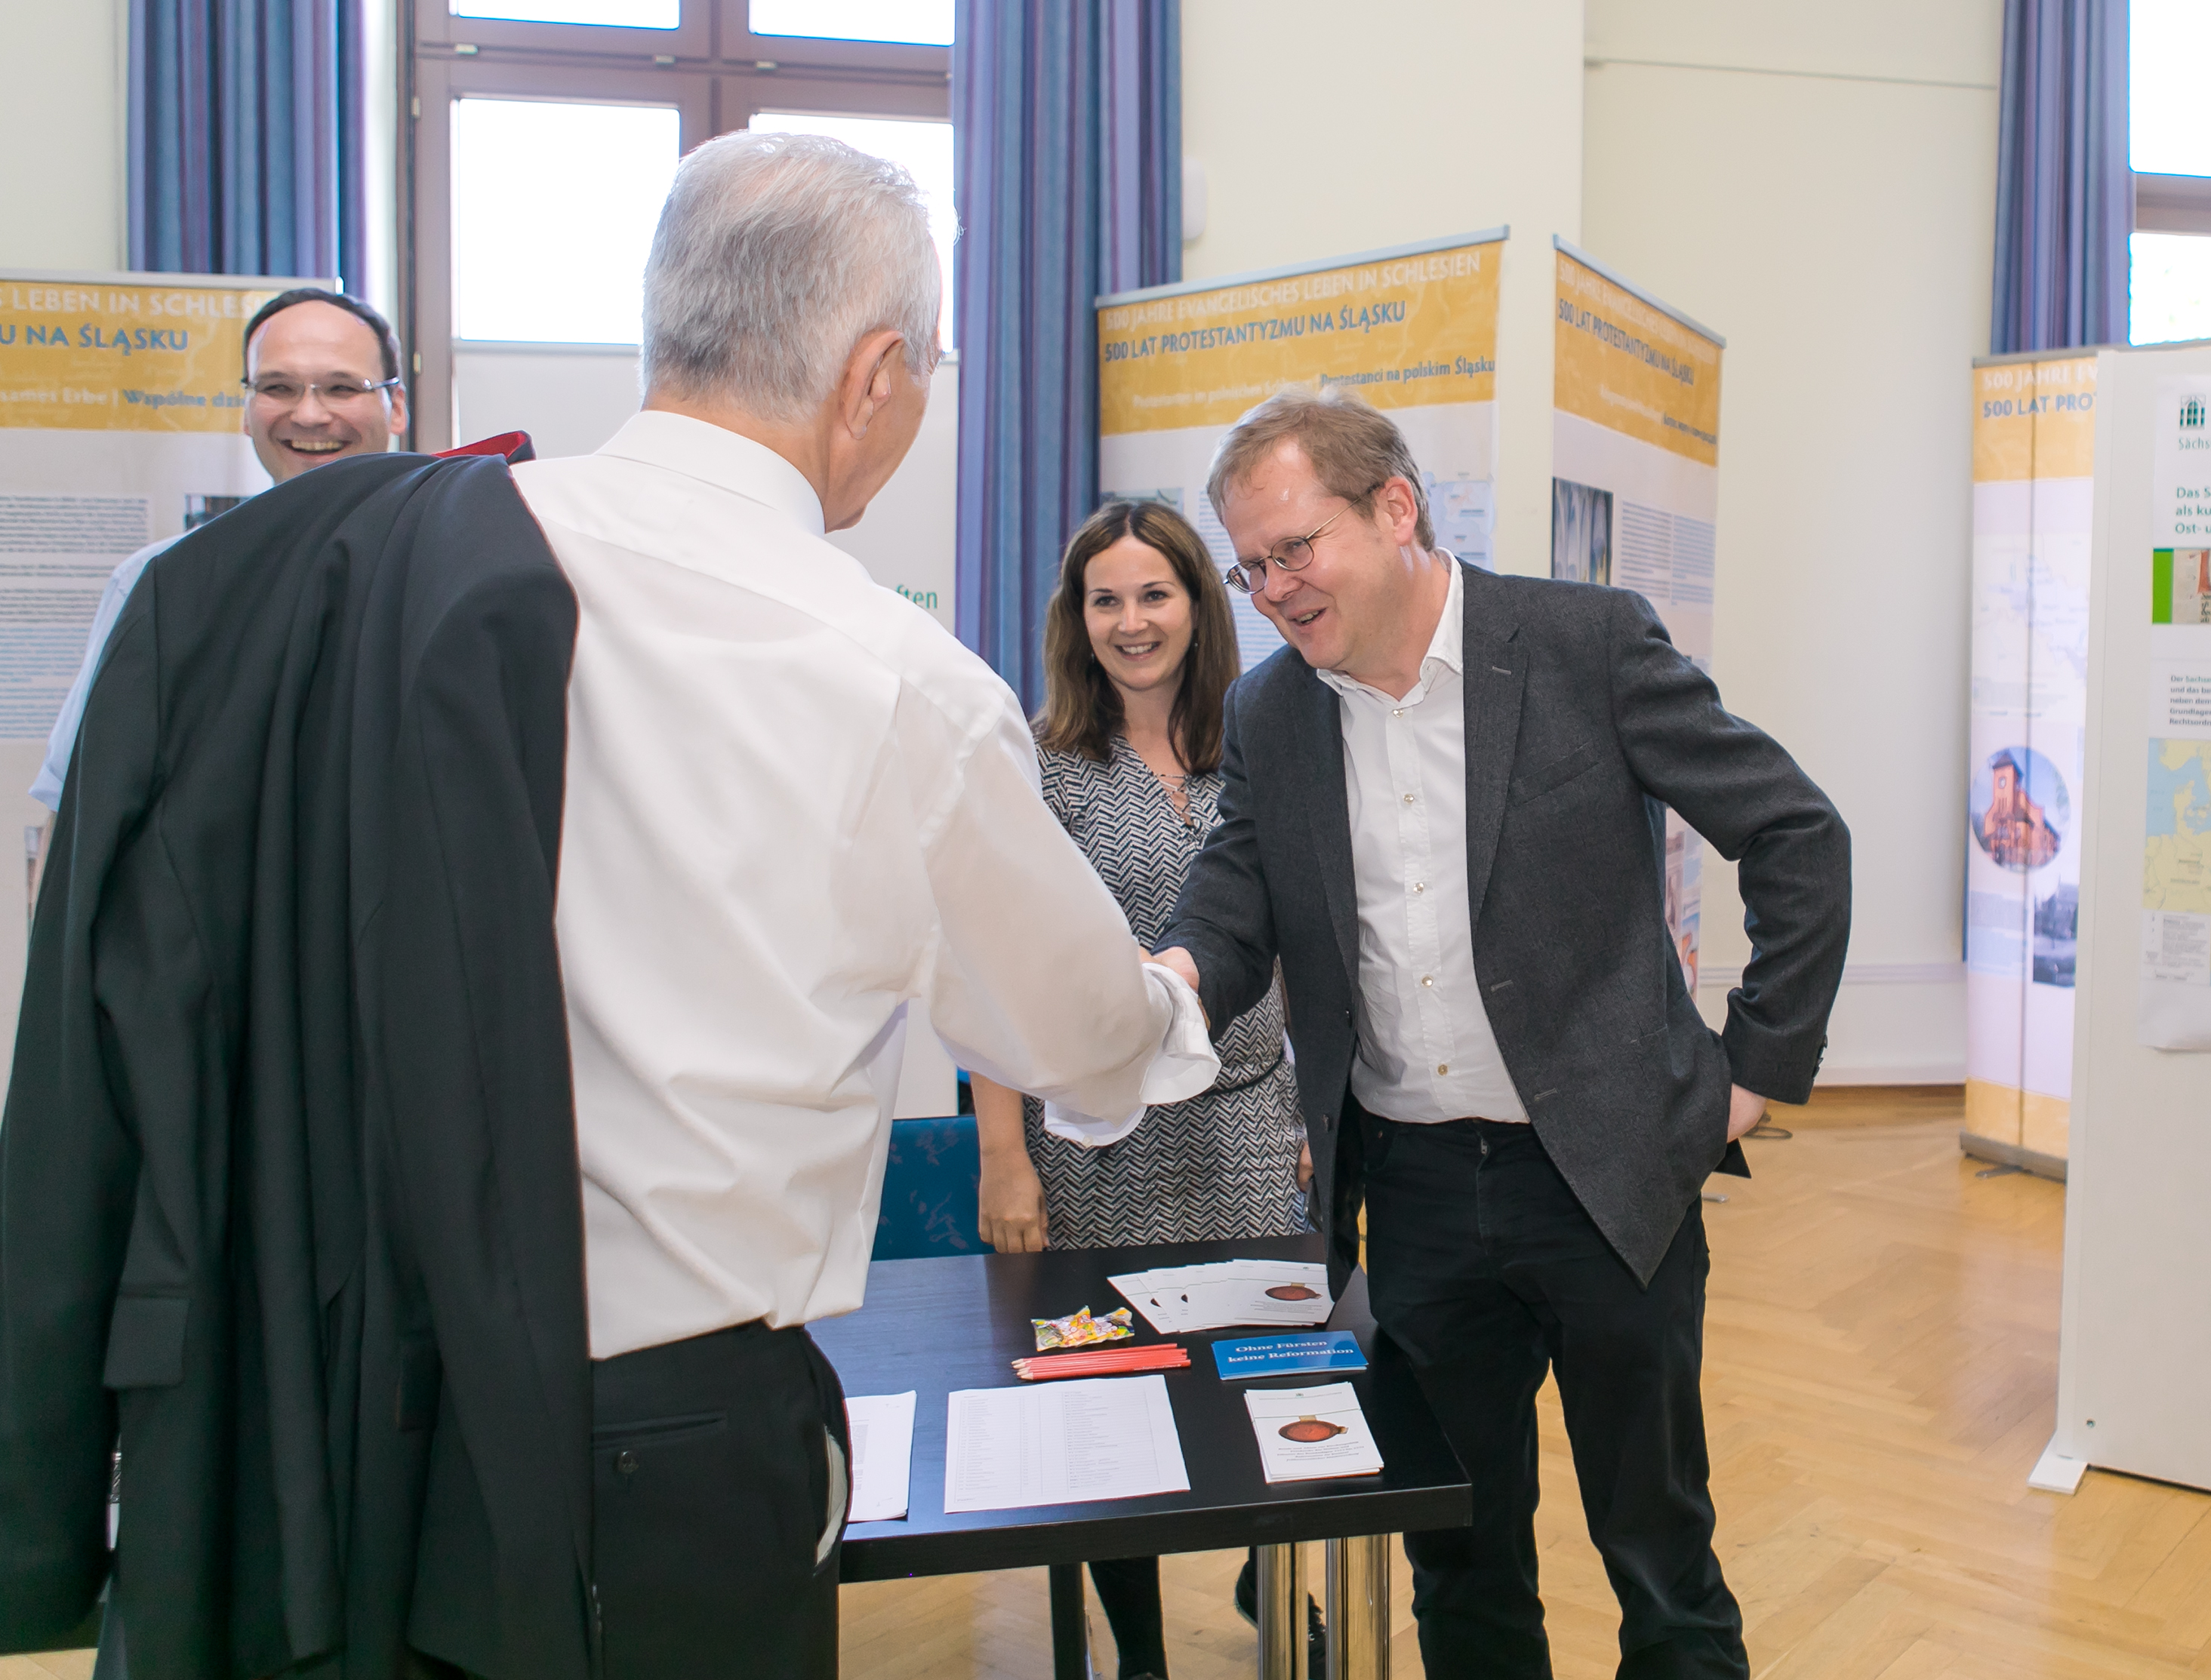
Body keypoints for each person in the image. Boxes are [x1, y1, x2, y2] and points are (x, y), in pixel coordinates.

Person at [506, 131, 1215, 1680]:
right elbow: (1076, 1032)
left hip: (377, 1379)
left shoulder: (431, 558)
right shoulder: (893, 678)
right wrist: (1169, 1005)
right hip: (672, 1424)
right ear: (877, 375)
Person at [1152, 386, 1851, 1680]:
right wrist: (1174, 976)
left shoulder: (1583, 643)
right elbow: (1232, 902)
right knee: (1459, 1557)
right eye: (1251, 568)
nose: (1273, 590)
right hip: (1414, 1193)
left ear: (1394, 508)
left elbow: (1795, 834)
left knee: (1658, 1548)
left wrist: (1753, 1071)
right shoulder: (1271, 714)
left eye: (1294, 549)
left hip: (1605, 1177)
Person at [969, 498, 1313, 1680]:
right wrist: (1002, 1154)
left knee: (1264, 1378)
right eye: (1104, 599)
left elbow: (1309, 941)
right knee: (1110, 1399)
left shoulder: (1266, 737)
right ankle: (1143, 1656)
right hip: (1096, 1143)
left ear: (1197, 604)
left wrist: (1313, 1112)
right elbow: (996, 968)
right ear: (1076, 618)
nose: (1131, 621)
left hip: (1252, 1126)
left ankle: (1272, 1574)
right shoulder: (1041, 766)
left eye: (1154, 593)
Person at [29, 286, 407, 811]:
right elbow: (77, 798)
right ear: (246, 410)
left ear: (396, 408)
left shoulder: (447, 571)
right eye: (278, 387)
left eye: (342, 388)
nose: (309, 414)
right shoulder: (161, 580)